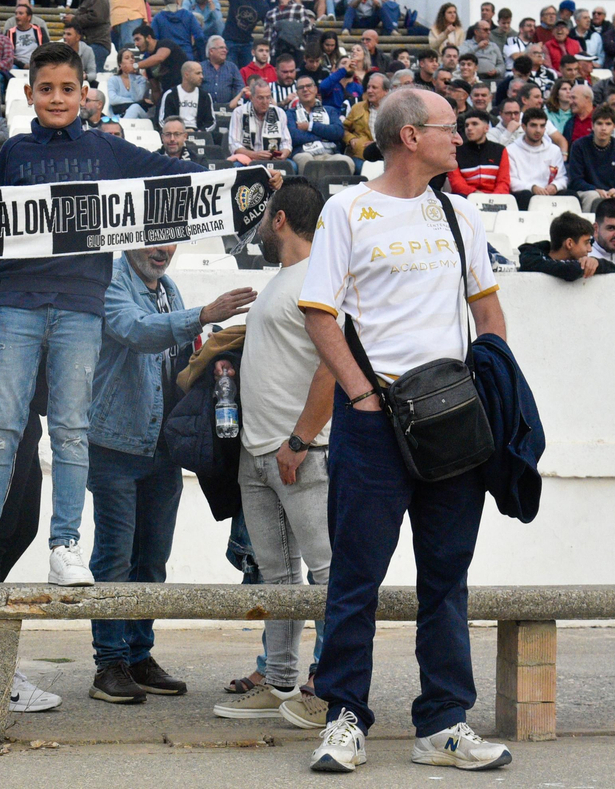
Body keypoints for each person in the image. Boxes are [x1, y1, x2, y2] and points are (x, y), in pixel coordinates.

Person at [298, 87, 513, 774]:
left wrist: (489, 381)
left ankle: (444, 722)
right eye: (452, 129)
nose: (465, 138)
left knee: (446, 576)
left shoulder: (460, 212)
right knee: (355, 577)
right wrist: (359, 395)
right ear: (412, 136)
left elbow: (489, 310)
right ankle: (343, 717)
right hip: (375, 424)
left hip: (451, 421)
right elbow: (319, 313)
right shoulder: (348, 210)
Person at [0, 42, 205, 590]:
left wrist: (240, 177)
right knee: (0, 428)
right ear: (28, 93)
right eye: (47, 89)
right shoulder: (14, 152)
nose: (57, 98)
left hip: (82, 309)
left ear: (85, 94)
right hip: (17, 302)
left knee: (70, 430)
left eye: (68, 89)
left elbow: (173, 174)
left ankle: (66, 547)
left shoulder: (108, 151)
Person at [85, 239, 253, 703]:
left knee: (151, 561)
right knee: (114, 559)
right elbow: (136, 330)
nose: (163, 250)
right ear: (130, 237)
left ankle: (138, 655)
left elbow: (177, 355)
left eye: (170, 240)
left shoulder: (169, 289)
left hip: (162, 446)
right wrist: (203, 316)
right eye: (154, 239)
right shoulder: (112, 281)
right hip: (115, 443)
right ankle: (109, 664)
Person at [207, 179, 333, 720]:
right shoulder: (284, 280)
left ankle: (328, 688)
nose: (257, 226)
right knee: (277, 578)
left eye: (264, 218)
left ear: (279, 220)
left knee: (327, 574)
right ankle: (280, 681)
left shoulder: (319, 279)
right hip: (259, 455)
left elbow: (335, 365)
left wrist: (301, 439)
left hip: (302, 454)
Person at [567, 110, 615, 210]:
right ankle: (587, 225)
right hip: (586, 191)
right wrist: (595, 189)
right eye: (599, 123)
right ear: (592, 125)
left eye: (608, 124)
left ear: (614, 126)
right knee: (592, 196)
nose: (603, 128)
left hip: (611, 193)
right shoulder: (579, 145)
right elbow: (575, 180)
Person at [518, 211, 615, 279]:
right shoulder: (531, 258)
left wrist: (597, 263)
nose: (590, 249)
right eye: (586, 243)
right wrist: (583, 266)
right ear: (569, 243)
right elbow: (570, 271)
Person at [445, 109, 510, 197]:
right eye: (466, 125)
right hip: (466, 198)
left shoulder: (500, 150)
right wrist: (476, 195)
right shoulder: (456, 151)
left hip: (495, 199)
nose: (469, 128)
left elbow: (503, 181)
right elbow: (457, 183)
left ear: (486, 128)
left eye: (474, 124)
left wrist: (493, 199)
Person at [289, 75, 348, 171]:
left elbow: (338, 132)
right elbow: (295, 137)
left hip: (330, 154)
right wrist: (326, 135)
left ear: (316, 89)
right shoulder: (290, 113)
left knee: (346, 161)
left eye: (308, 86)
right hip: (304, 153)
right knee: (306, 160)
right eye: (301, 87)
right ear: (297, 93)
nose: (305, 89)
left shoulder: (329, 110)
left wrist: (310, 126)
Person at [228, 81, 290, 163]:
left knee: (292, 166)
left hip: (274, 159)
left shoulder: (279, 113)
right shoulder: (239, 112)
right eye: (260, 98)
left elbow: (286, 142)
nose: (265, 102)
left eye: (268, 97)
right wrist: (254, 155)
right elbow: (234, 144)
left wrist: (283, 155)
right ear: (251, 98)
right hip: (247, 158)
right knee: (236, 166)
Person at [63, 0, 112, 74]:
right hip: (90, 43)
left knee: (93, 74)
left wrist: (74, 19)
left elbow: (96, 17)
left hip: (98, 43)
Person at [156, 60, 214, 132]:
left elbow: (211, 122)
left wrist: (200, 132)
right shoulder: (170, 95)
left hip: (198, 132)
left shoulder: (205, 96)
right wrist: (180, 131)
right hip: (175, 133)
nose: (202, 76)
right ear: (186, 75)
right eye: (198, 73)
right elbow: (163, 121)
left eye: (201, 73)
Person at [342, 72, 387, 162]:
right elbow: (343, 129)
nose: (369, 91)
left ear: (386, 91)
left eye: (374, 87)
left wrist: (377, 145)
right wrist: (350, 138)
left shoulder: (393, 110)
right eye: (368, 87)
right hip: (362, 156)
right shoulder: (357, 108)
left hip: (387, 156)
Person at [201, 35, 246, 108]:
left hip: (228, 109)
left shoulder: (232, 67)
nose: (225, 50)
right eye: (221, 48)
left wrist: (236, 101)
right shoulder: (200, 67)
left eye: (225, 48)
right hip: (204, 108)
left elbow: (240, 86)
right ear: (211, 51)